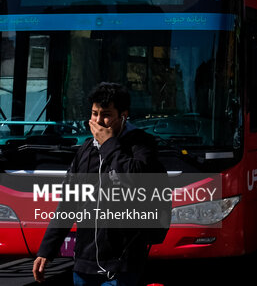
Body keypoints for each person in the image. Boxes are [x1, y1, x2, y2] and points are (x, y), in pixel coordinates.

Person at [33, 82, 167, 286]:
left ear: (123, 115)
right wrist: (46, 251)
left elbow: (138, 180)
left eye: (106, 114)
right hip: (84, 264)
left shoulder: (141, 144)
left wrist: (109, 145)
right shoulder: (86, 149)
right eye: (94, 113)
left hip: (122, 264)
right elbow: (68, 203)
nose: (98, 121)